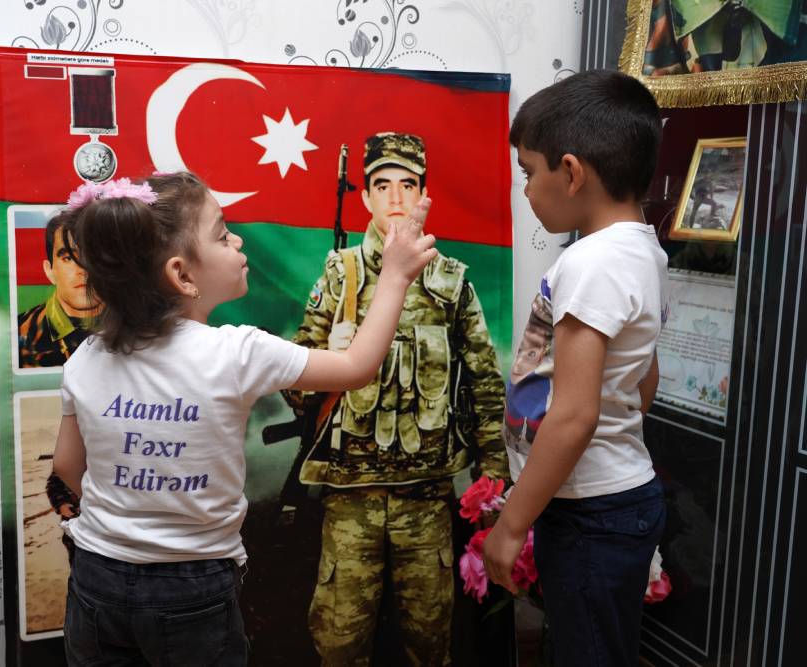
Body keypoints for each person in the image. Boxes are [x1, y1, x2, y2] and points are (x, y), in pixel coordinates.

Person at [51, 173, 437, 666]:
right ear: (182, 276)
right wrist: (395, 276)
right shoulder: (237, 352)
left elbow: (67, 467)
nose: (237, 241)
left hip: (97, 577)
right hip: (192, 586)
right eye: (222, 233)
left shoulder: (87, 356)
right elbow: (355, 366)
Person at [282, 132, 507, 666]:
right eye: (382, 186)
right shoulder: (340, 276)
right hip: (350, 498)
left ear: (425, 193)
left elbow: (484, 383)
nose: (397, 198)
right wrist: (331, 363)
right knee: (340, 645)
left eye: (408, 184)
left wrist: (493, 481)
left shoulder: (451, 283)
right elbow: (294, 382)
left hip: (426, 499)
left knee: (430, 644)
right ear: (365, 197)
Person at [483, 69, 669, 667]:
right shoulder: (641, 251)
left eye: (528, 172)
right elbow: (645, 377)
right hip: (608, 500)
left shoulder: (593, 263)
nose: (527, 190)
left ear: (571, 172)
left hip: (592, 514)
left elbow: (575, 414)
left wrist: (511, 525)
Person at [17, 210, 101, 368]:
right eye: (68, 258)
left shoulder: (135, 327)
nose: (83, 269)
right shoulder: (18, 334)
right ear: (49, 271)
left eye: (93, 256)